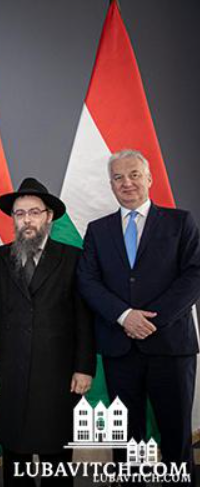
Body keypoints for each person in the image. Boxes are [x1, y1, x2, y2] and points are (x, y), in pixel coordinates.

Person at [77, 149, 200, 485]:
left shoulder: (180, 222)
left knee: (175, 435)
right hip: (120, 348)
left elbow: (194, 275)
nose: (126, 182)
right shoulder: (98, 230)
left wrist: (150, 321)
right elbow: (87, 280)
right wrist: (123, 315)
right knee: (127, 440)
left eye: (133, 175)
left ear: (149, 178)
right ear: (111, 184)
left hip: (171, 347)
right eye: (118, 177)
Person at [0, 178, 95, 487]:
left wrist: (83, 367)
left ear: (48, 216)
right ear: (13, 219)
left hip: (59, 375)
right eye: (20, 214)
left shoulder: (73, 258)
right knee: (15, 455)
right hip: (9, 372)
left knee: (56, 453)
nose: (27, 220)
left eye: (34, 212)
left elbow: (84, 318)